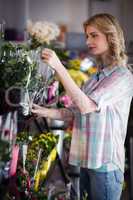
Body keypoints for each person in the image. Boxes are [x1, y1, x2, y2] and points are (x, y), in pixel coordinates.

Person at [31, 13, 133, 200]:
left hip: (105, 166)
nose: (88, 41)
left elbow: (86, 106)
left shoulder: (122, 77)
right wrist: (44, 111)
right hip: (88, 161)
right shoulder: (96, 77)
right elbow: (75, 112)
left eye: (94, 35)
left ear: (110, 37)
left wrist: (59, 67)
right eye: (87, 36)